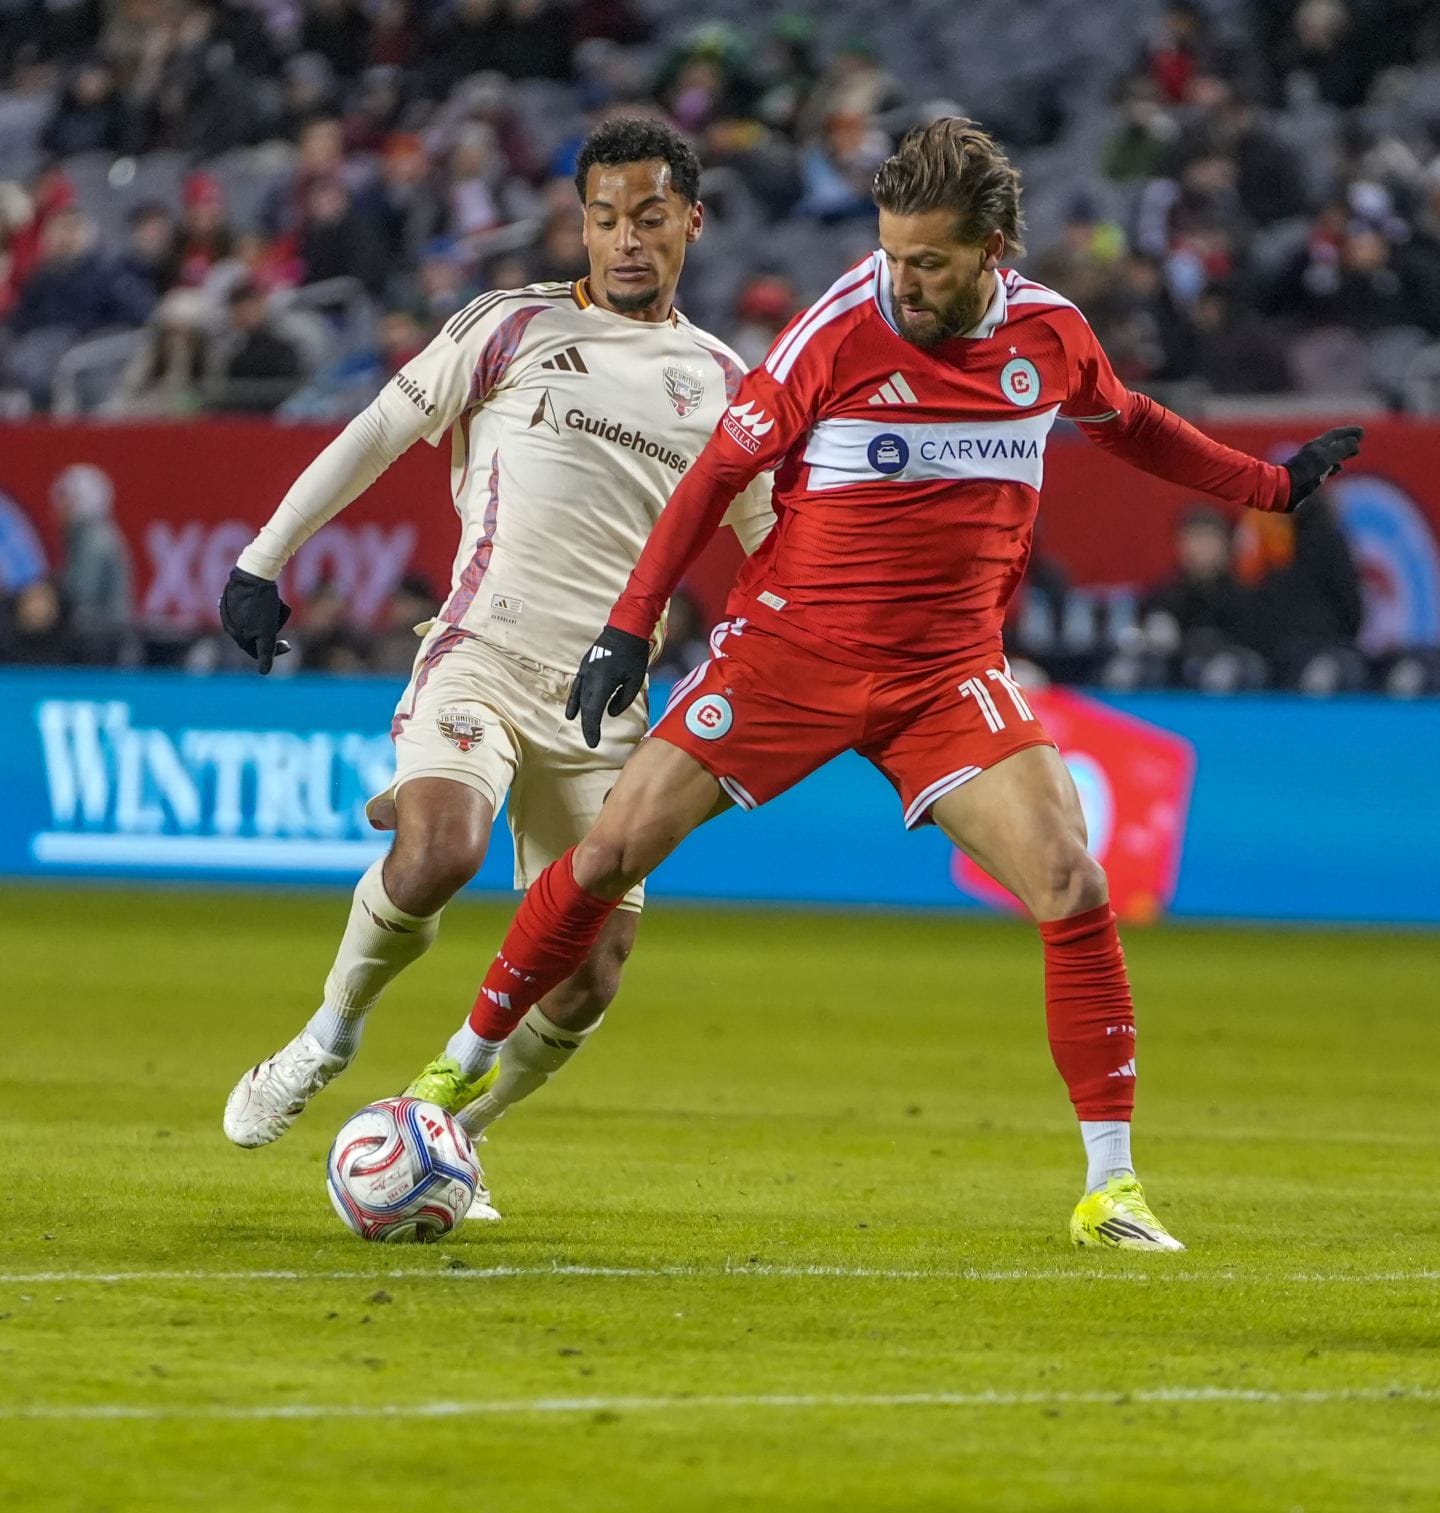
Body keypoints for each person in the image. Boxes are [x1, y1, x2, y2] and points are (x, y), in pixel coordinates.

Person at [405, 118, 1364, 1251]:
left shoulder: (1051, 338)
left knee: (1071, 877)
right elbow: (722, 469)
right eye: (891, 254)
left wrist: (1267, 486)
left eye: (929, 264)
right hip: (786, 659)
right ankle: (447, 1078)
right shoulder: (839, 329)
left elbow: (1131, 423)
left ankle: (1111, 1189)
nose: (899, 282)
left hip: (945, 676)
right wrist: (627, 627)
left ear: (994, 252)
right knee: (609, 855)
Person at [217, 119, 774, 1219]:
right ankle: (325, 1038)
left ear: (692, 224)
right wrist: (260, 560)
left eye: (650, 218)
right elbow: (376, 433)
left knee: (593, 970)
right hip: (482, 650)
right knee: (439, 850)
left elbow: (782, 554)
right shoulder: (510, 326)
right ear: (581, 222)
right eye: (605, 218)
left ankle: (447, 1137)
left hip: (610, 705)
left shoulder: (725, 383)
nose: (626, 241)